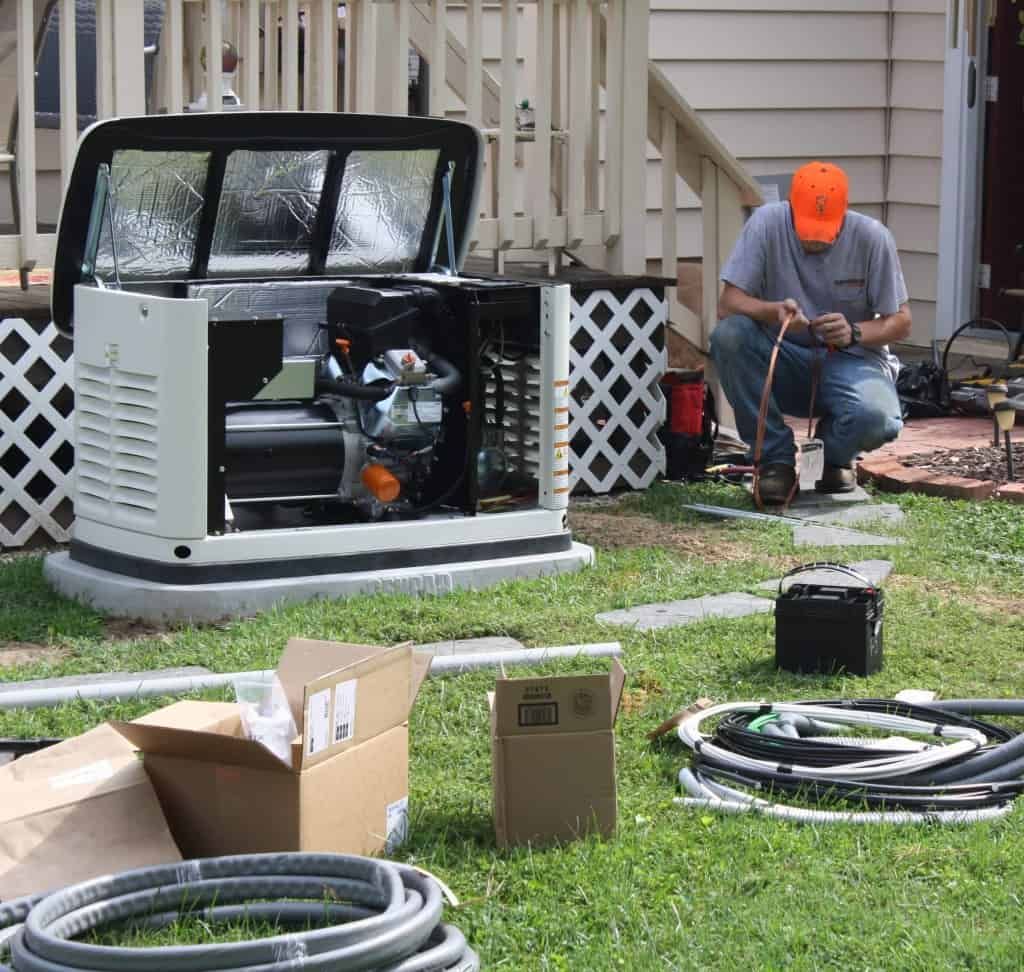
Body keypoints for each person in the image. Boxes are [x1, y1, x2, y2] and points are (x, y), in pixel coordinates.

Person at [709, 161, 911, 505]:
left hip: (850, 360)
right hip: (783, 356)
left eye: (826, 230)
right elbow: (728, 303)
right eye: (806, 229)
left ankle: (833, 454)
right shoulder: (766, 224)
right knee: (729, 335)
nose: (815, 240)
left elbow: (902, 321)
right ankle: (776, 461)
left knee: (880, 420)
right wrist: (772, 310)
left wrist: (854, 332)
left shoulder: (873, 237)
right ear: (790, 206)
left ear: (844, 212)